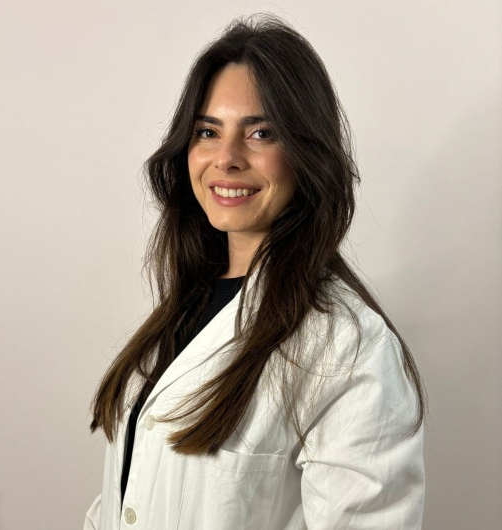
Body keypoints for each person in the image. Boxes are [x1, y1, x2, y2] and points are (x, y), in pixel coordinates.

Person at [84, 14, 426, 530]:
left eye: (261, 133)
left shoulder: (348, 349)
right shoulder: (183, 311)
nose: (226, 158)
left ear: (307, 153)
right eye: (207, 132)